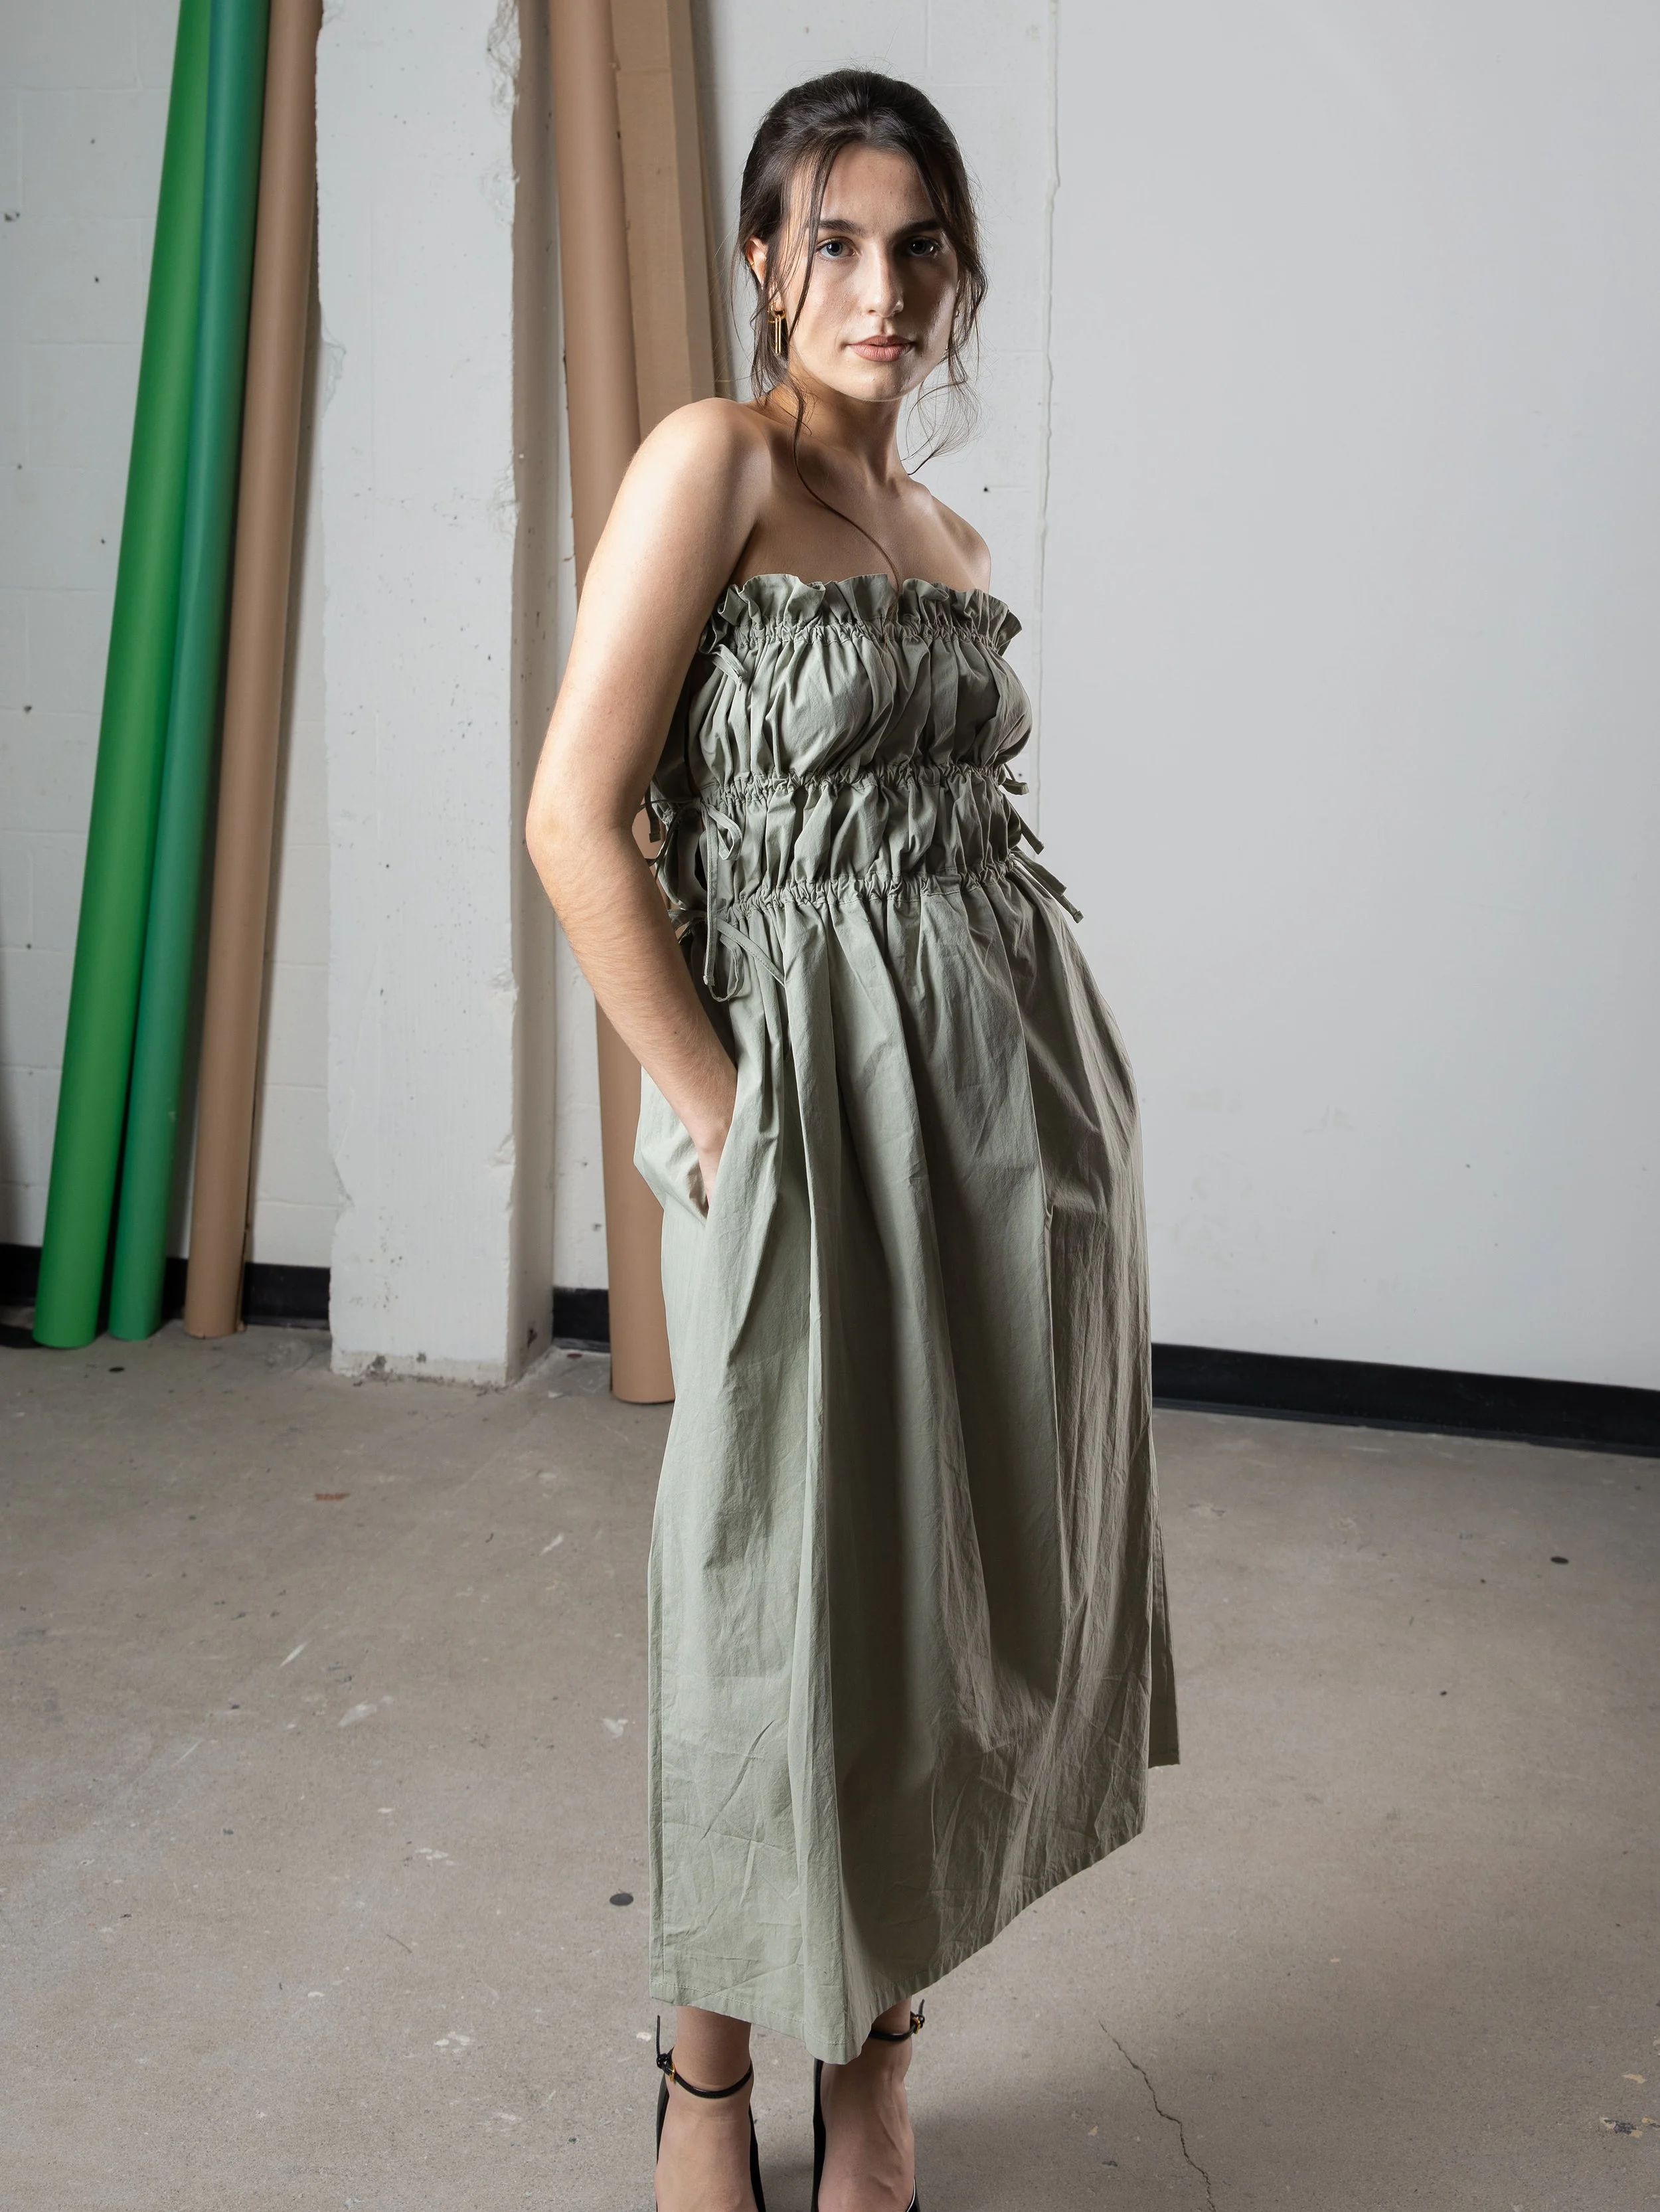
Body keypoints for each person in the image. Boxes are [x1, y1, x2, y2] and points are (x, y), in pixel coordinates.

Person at [527, 67, 1177, 2212]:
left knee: (954, 1587)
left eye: (917, 247)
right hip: (800, 1108)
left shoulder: (947, 541)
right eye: (833, 241)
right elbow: (575, 822)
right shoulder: (714, 463)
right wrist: (725, 1117)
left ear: (961, 275)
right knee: (773, 1593)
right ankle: (706, 2080)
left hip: (1007, 1120)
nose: (877, 286)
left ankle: (876, 2057)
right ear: (760, 262)